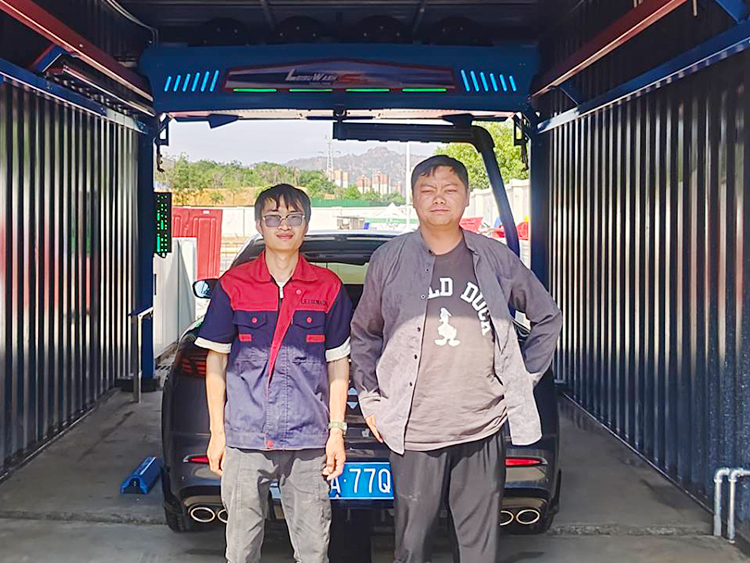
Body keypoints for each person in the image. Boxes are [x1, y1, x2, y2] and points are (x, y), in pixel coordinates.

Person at [351, 155, 562, 563]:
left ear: (466, 198)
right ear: (413, 198)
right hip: (414, 431)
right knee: (412, 548)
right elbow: (364, 333)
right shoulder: (389, 259)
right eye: (427, 190)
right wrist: (372, 402)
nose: (439, 198)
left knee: (477, 550)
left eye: (450, 189)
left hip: (481, 425)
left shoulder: (495, 258)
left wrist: (521, 380)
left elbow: (547, 317)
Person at [195, 184, 352, 563]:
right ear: (259, 225)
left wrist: (336, 432)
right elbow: (216, 362)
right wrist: (218, 433)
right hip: (245, 440)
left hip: (308, 442)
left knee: (314, 551)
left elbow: (338, 363)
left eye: (294, 217)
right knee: (241, 550)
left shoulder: (327, 287)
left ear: (306, 225)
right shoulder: (233, 285)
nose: (284, 226)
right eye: (273, 218)